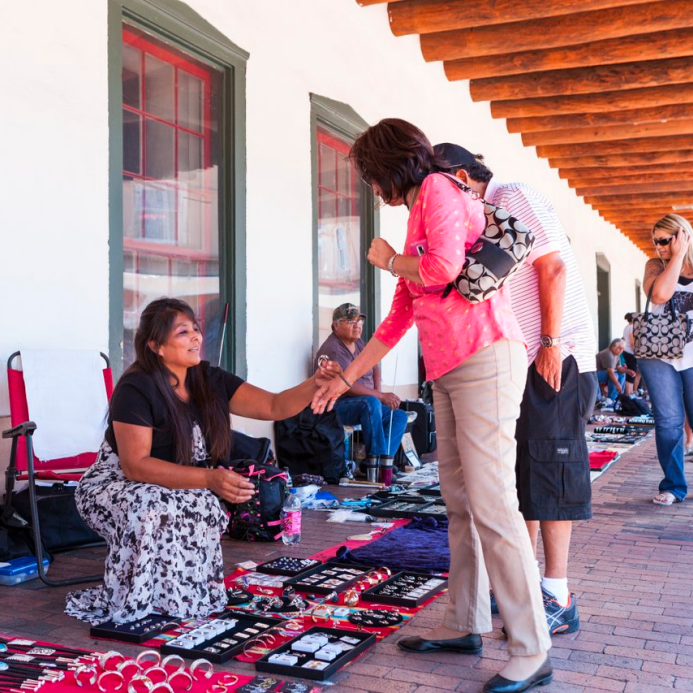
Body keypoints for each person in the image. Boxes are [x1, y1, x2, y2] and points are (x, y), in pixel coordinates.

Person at [312, 119, 552, 693]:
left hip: (485, 358)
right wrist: (345, 377)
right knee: (462, 502)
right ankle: (464, 623)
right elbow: (398, 318)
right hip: (447, 369)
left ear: (390, 163)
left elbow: (441, 269)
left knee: (493, 502)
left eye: (371, 176)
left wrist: (390, 260)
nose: (372, 187)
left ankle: (531, 647)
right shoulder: (418, 210)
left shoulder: (441, 190)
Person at [66, 297, 339, 624]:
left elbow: (274, 406)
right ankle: (136, 602)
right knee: (152, 505)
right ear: (157, 346)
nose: (196, 337)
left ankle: (180, 601)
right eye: (183, 332)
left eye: (196, 329)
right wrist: (211, 480)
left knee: (204, 506)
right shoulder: (136, 388)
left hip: (175, 484)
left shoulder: (209, 378)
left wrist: (314, 383)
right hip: (114, 486)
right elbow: (135, 465)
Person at [432, 143, 598, 636]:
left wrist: (549, 343)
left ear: (463, 176)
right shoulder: (481, 215)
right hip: (523, 361)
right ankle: (524, 588)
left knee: (552, 472)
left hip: (556, 355)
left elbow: (553, 267)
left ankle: (558, 595)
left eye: (441, 188)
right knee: (524, 478)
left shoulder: (511, 194)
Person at [639, 214, 693, 505]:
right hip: (659, 353)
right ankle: (673, 486)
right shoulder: (655, 265)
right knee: (669, 421)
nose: (658, 246)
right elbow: (659, 295)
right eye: (655, 240)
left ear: (681, 235)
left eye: (663, 240)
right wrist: (676, 256)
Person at [314, 303, 408, 466]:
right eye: (351, 322)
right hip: (337, 406)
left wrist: (379, 395)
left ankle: (384, 463)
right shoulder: (333, 349)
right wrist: (379, 397)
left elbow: (375, 366)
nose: (357, 325)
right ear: (336, 325)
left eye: (359, 321)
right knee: (369, 403)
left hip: (366, 403)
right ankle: (375, 460)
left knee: (398, 416)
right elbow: (346, 384)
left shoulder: (358, 343)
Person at [622, 313, 641, 396]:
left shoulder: (626, 327)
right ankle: (629, 393)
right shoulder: (632, 328)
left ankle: (630, 393)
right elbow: (632, 342)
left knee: (630, 373)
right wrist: (636, 353)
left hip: (626, 352)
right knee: (632, 373)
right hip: (630, 352)